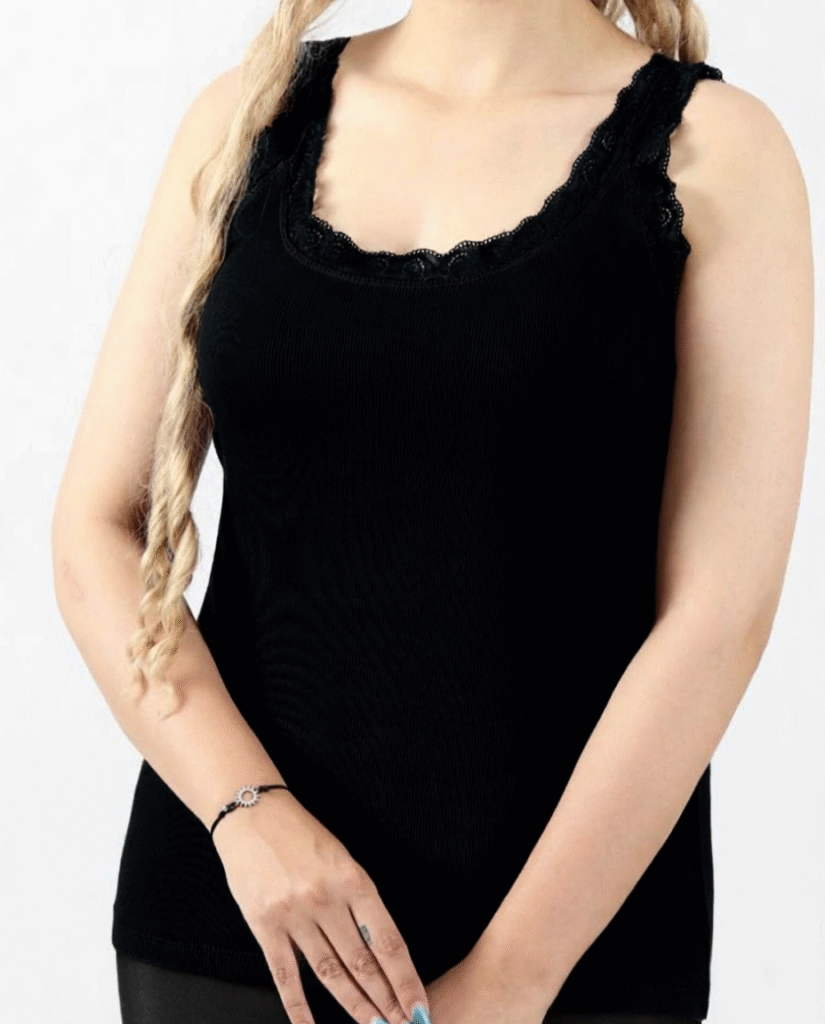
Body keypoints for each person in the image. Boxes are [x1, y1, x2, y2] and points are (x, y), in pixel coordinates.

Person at [51, 0, 813, 1022]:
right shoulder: (248, 117)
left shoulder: (716, 155)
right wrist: (248, 813)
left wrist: (510, 978)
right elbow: (96, 529)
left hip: (572, 963)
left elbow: (719, 617)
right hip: (242, 932)